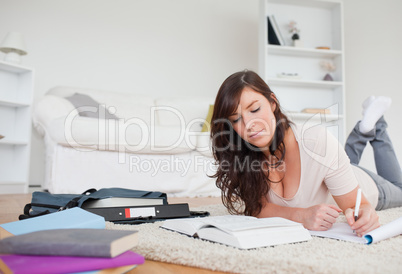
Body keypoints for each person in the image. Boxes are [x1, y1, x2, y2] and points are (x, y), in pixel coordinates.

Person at [210, 70, 402, 237]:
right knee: (330, 155)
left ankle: (377, 127)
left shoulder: (315, 140)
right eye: (236, 119)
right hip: (331, 168)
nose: (249, 125)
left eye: (255, 109)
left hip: (368, 184)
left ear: (273, 103)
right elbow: (257, 208)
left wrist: (366, 212)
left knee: (399, 188)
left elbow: (358, 205)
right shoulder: (244, 156)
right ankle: (366, 128)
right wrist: (299, 216)